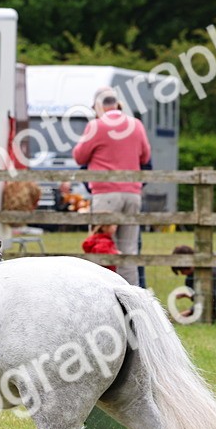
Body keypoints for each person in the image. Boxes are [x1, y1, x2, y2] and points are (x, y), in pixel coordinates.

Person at [72, 87, 151, 286]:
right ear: (117, 104)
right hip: (132, 193)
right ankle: (132, 297)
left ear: (99, 106)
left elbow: (79, 156)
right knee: (129, 249)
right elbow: (145, 157)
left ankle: (104, 293)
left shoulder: (96, 126)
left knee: (101, 246)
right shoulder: (137, 125)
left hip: (106, 194)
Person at [170, 244, 216, 319]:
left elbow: (212, 298)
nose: (182, 273)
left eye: (182, 269)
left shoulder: (211, 272)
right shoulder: (190, 279)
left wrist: (190, 310)